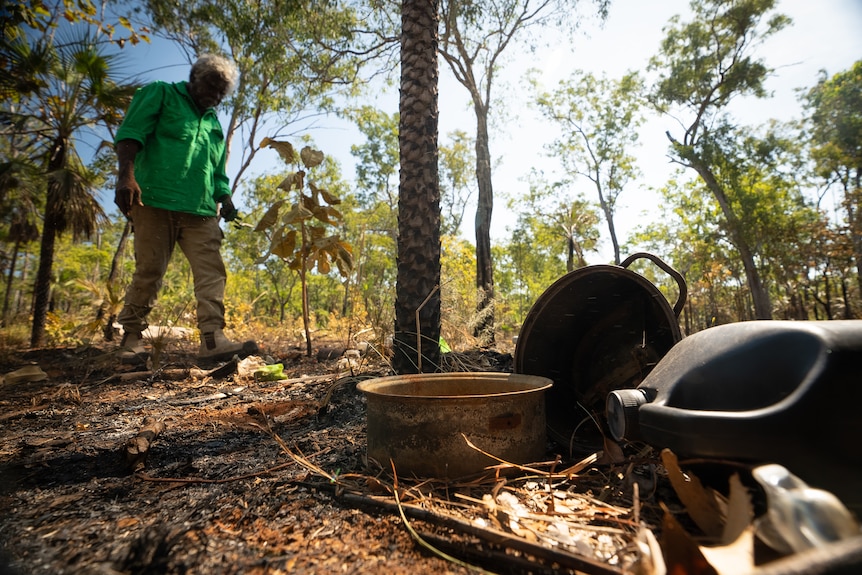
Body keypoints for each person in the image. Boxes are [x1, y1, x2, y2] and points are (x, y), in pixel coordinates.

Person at [114, 54, 257, 364]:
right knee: (149, 270)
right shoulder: (161, 94)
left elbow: (217, 171)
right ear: (194, 78)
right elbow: (131, 133)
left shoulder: (214, 125)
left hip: (201, 209)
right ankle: (132, 339)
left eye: (222, 92)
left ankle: (212, 339)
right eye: (212, 85)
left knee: (212, 272)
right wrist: (126, 176)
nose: (216, 95)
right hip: (153, 200)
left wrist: (225, 197)